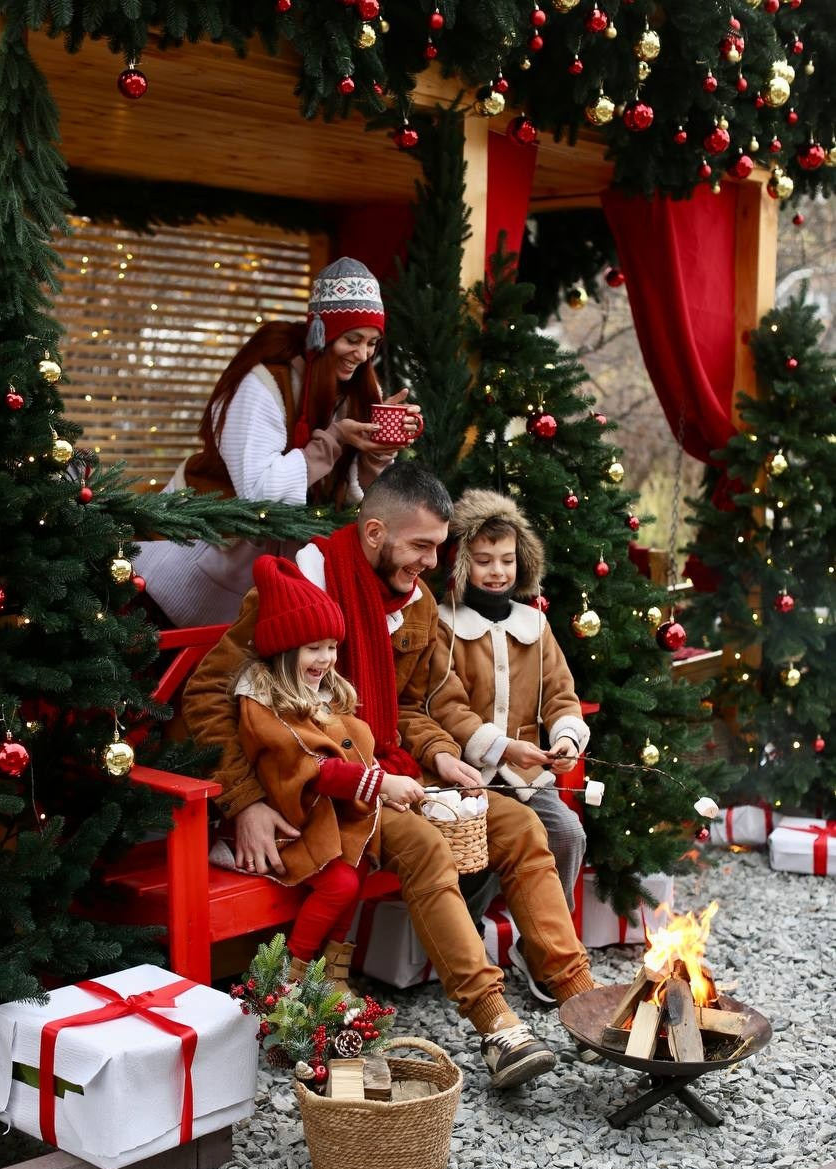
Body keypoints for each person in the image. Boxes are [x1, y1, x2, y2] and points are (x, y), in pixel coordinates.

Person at [183, 462, 596, 1090]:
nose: (434, 561)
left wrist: (439, 758)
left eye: (438, 546)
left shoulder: (418, 604)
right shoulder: (299, 591)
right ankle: (496, 1023)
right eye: (422, 546)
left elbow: (416, 705)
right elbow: (212, 693)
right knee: (427, 846)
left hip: (390, 771)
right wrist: (243, 802)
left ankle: (580, 996)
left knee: (515, 824)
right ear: (375, 532)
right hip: (321, 796)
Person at [135, 256, 419, 626]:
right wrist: (332, 441)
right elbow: (259, 492)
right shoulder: (264, 382)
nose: (363, 355)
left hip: (282, 566)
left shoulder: (359, 387)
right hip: (206, 552)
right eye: (352, 339)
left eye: (372, 343)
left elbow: (357, 500)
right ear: (322, 332)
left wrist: (376, 457)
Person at [230, 554, 424, 992]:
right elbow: (311, 766)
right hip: (290, 817)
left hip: (326, 818)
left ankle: (332, 974)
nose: (325, 659)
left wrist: (381, 784)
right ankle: (291, 976)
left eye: (332, 647)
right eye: (313, 648)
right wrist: (379, 783)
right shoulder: (264, 704)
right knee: (337, 882)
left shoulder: (322, 693)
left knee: (355, 872)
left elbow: (351, 751)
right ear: (284, 649)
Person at [424, 490, 589, 1001]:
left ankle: (537, 947)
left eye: (507, 560)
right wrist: (496, 747)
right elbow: (444, 704)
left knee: (565, 833)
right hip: (465, 776)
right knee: (470, 854)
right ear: (461, 563)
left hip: (523, 775)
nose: (497, 572)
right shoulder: (445, 625)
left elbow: (561, 693)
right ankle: (465, 944)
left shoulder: (533, 626)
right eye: (483, 561)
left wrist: (563, 736)